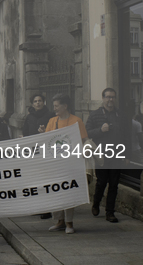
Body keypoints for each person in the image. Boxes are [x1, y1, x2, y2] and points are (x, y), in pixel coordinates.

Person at [86, 88, 130, 224]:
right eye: (108, 97)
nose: (110, 100)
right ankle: (96, 203)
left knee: (114, 185)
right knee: (101, 182)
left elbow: (126, 136)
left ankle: (110, 212)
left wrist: (126, 154)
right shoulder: (94, 115)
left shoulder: (121, 115)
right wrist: (100, 130)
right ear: (103, 98)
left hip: (116, 154)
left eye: (113, 97)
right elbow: (87, 133)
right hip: (101, 155)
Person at [45, 93, 88, 233]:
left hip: (71, 164)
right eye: (54, 106)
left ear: (65, 106)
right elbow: (47, 141)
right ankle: (59, 221)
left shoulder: (77, 121)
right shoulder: (52, 121)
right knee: (55, 191)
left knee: (69, 191)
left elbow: (82, 141)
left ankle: (69, 223)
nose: (55, 108)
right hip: (55, 164)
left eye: (57, 106)